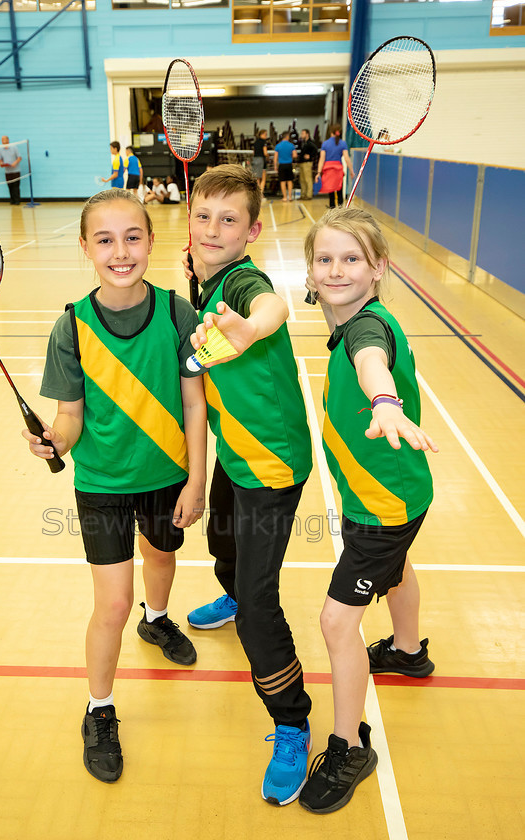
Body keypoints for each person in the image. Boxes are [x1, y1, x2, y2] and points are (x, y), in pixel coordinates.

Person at [22, 188, 207, 785]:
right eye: (105, 240)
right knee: (112, 604)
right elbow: (71, 416)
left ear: (152, 242)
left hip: (168, 475)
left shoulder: (177, 314)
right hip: (101, 483)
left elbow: (194, 401)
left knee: (161, 557)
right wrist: (56, 439)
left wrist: (196, 477)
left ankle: (159, 619)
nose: (120, 251)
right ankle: (99, 708)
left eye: (132, 237)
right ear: (85, 248)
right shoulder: (72, 326)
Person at [298, 206, 438, 815]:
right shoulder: (349, 316)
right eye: (324, 259)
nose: (336, 270)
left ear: (380, 268)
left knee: (336, 624)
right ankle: (408, 652)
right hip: (400, 497)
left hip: (382, 508)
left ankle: (348, 745)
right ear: (309, 269)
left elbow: (370, 360)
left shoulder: (365, 330)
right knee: (399, 568)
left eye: (351, 259)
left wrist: (384, 401)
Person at [184, 164, 314, 807]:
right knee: (222, 543)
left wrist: (252, 327)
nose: (213, 229)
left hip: (271, 462)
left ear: (252, 230)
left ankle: (291, 721)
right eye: (203, 215)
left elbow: (272, 303)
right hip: (235, 452)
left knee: (262, 604)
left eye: (229, 219)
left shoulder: (242, 281)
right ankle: (231, 594)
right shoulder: (199, 275)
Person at [315, 124, 355, 209]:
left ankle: (332, 207)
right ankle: (340, 208)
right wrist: (351, 171)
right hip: (338, 169)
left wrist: (318, 172)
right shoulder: (342, 143)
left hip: (328, 169)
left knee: (331, 190)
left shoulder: (325, 144)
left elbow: (322, 159)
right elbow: (347, 158)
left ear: (330, 132)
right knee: (339, 188)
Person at [0, 135, 22, 205]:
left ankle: (17, 200)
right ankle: (12, 200)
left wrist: (14, 163)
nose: (3, 141)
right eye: (2, 140)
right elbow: (0, 159)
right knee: (10, 186)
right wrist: (1, 163)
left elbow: (19, 157)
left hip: (15, 171)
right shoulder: (1, 150)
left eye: (4, 139)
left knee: (16, 186)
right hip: (7, 172)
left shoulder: (14, 147)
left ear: (8, 140)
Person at [273, 131, 296, 202]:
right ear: (287, 137)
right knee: (289, 181)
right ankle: (290, 197)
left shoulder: (278, 146)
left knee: (282, 181)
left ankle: (285, 197)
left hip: (281, 165)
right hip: (289, 165)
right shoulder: (291, 145)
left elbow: (275, 158)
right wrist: (290, 157)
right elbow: (295, 155)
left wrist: (275, 166)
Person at [297, 129, 318, 201]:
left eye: (303, 133)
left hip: (307, 163)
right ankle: (303, 194)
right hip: (302, 162)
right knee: (302, 180)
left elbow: (316, 150)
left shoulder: (310, 143)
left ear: (307, 134)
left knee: (308, 179)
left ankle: (309, 195)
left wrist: (310, 155)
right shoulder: (303, 143)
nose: (301, 135)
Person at [252, 129, 269, 195]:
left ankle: (257, 193)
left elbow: (254, 152)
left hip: (255, 159)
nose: (266, 136)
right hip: (261, 160)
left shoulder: (256, 142)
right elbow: (265, 153)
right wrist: (268, 156)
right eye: (266, 134)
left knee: (257, 178)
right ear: (262, 134)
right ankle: (261, 193)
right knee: (263, 178)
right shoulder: (264, 142)